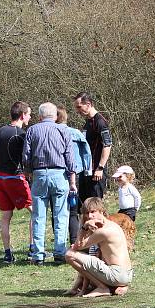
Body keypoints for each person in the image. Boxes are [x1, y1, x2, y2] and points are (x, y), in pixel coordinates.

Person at [22, 102, 76, 265]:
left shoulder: (32, 130)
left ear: (39, 116)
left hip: (39, 174)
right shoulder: (63, 130)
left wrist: (30, 172)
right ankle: (60, 252)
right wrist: (72, 181)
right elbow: (70, 157)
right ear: (56, 116)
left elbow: (26, 156)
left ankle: (38, 254)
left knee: (38, 216)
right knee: (61, 215)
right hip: (60, 174)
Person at [0, 101, 33, 264]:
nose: (30, 117)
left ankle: (8, 254)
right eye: (28, 114)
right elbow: (27, 158)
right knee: (35, 212)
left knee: (6, 217)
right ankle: (32, 250)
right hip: (15, 177)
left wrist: (4, 163)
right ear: (22, 115)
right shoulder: (22, 134)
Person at [65, 197, 133, 298]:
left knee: (69, 254)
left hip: (117, 273)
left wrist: (84, 227)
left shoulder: (103, 231)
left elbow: (77, 247)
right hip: (127, 274)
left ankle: (102, 287)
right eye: (87, 213)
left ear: (101, 211)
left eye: (93, 212)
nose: (90, 216)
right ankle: (114, 286)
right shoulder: (111, 225)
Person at [56, 104, 91, 244]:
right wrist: (87, 170)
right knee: (73, 210)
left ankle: (60, 243)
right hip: (75, 174)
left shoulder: (51, 132)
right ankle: (74, 240)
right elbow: (86, 152)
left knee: (57, 210)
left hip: (59, 173)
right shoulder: (76, 132)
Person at [73, 92, 112, 210]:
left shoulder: (100, 122)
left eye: (79, 107)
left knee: (95, 206)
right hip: (86, 171)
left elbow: (107, 145)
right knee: (84, 206)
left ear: (88, 104)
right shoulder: (88, 122)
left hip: (96, 172)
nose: (77, 110)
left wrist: (100, 168)